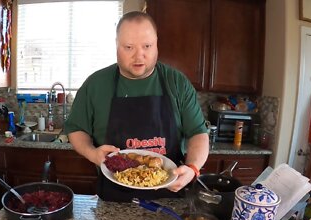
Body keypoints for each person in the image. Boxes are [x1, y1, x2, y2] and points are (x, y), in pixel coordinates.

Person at [64, 11, 209, 202]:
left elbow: (198, 133)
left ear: (157, 44)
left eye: (147, 46)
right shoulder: (95, 84)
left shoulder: (177, 82)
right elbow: (75, 129)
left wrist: (192, 168)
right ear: (117, 46)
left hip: (170, 197)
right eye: (129, 47)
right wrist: (93, 154)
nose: (138, 55)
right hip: (113, 200)